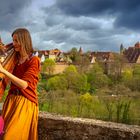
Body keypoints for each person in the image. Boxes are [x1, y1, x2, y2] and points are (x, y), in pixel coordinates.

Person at [0, 28, 40, 140]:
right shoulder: (15, 59)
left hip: (25, 102)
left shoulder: (34, 60)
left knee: (10, 136)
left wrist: (3, 71)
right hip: (11, 101)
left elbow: (24, 85)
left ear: (24, 41)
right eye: (13, 41)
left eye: (16, 41)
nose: (14, 44)